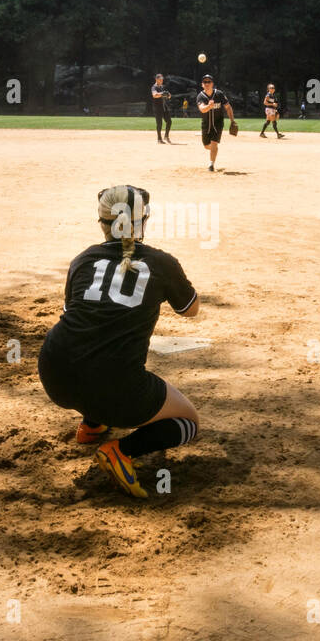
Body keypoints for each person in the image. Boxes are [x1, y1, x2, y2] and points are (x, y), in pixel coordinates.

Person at [38, 185, 202, 499]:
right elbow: (190, 310)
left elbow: (76, 317)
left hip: (54, 372)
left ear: (101, 223)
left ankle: (91, 426)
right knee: (188, 421)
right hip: (115, 386)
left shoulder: (83, 259)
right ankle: (121, 451)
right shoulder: (160, 262)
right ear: (144, 221)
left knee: (93, 342)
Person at [196, 75, 235, 172]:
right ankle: (214, 150)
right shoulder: (200, 96)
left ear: (212, 84)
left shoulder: (219, 94)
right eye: (205, 82)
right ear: (202, 84)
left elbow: (228, 107)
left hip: (218, 123)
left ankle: (211, 165)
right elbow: (202, 109)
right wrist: (209, 106)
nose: (207, 83)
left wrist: (232, 121)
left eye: (209, 81)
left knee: (214, 143)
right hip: (206, 124)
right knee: (206, 146)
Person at [150, 73, 173, 143]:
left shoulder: (162, 87)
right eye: (160, 79)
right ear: (156, 79)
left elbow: (168, 96)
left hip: (164, 107)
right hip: (157, 108)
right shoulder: (154, 87)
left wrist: (168, 95)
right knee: (159, 123)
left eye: (162, 79)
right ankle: (159, 139)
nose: (161, 80)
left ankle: (166, 136)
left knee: (169, 121)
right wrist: (162, 93)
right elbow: (154, 95)